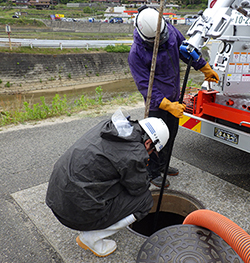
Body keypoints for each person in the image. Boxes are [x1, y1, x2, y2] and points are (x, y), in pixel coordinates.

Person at [45, 110, 169, 257]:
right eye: (152, 151)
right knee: (145, 201)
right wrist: (143, 169)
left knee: (120, 180)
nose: (149, 155)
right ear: (148, 142)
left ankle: (98, 221)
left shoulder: (111, 126)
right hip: (73, 213)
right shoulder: (134, 154)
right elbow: (138, 188)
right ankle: (91, 238)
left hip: (55, 197)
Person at [128, 5, 219, 188]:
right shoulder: (136, 54)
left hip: (174, 95)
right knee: (154, 139)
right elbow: (146, 87)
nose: (162, 40)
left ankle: (163, 165)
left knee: (170, 135)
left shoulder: (168, 30)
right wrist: (168, 105)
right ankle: (152, 172)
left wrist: (203, 67)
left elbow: (185, 50)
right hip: (157, 104)